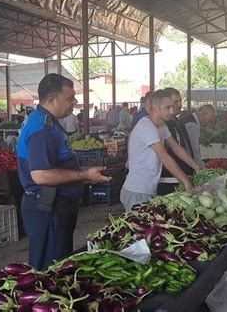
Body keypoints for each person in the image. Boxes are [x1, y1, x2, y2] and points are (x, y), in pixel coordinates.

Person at [17, 73, 111, 270]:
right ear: (51, 100)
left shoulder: (46, 121)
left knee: (57, 261)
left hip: (53, 205)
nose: (74, 102)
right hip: (47, 207)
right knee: (52, 267)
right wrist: (84, 175)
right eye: (69, 98)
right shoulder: (42, 129)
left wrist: (86, 172)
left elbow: (55, 164)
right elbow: (41, 175)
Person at [120, 89, 200, 211]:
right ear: (155, 107)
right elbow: (165, 158)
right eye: (168, 108)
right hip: (137, 191)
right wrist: (186, 181)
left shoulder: (161, 126)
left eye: (173, 107)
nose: (172, 111)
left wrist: (197, 168)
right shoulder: (147, 126)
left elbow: (176, 147)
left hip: (148, 190)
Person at [158, 87, 195, 195]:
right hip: (169, 180)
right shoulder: (163, 125)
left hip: (182, 177)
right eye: (175, 102)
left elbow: (181, 148)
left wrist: (194, 167)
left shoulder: (177, 122)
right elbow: (165, 156)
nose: (179, 104)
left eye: (180, 101)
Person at [181, 104, 216, 169]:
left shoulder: (192, 122)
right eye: (210, 121)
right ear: (204, 115)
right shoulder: (191, 125)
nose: (208, 124)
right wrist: (202, 168)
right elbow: (194, 150)